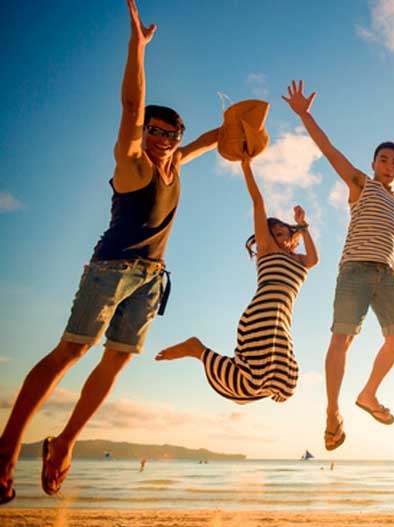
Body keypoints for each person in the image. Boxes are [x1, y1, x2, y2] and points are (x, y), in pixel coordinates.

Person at [0, 0, 220, 504]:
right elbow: (131, 106)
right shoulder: (134, 162)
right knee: (72, 350)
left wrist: (242, 129)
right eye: (155, 131)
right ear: (144, 133)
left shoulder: (176, 163)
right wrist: (136, 48)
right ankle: (8, 447)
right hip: (110, 272)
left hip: (150, 279)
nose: (163, 139)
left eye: (171, 134)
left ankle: (64, 443)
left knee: (116, 361)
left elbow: (211, 139)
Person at [282, 81, 394, 451]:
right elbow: (329, 151)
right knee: (342, 338)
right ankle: (332, 414)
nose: (390, 165)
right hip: (356, 269)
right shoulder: (362, 185)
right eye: (384, 159)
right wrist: (305, 115)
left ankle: (368, 394)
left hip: (388, 275)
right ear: (373, 163)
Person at [155, 156, 317, 402]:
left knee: (288, 382)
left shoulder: (298, 260)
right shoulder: (267, 250)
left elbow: (314, 259)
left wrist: (303, 226)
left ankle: (199, 351)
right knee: (251, 382)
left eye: (285, 234)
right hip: (260, 315)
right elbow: (258, 202)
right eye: (276, 234)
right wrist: (246, 166)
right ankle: (197, 350)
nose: (281, 239)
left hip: (282, 320)